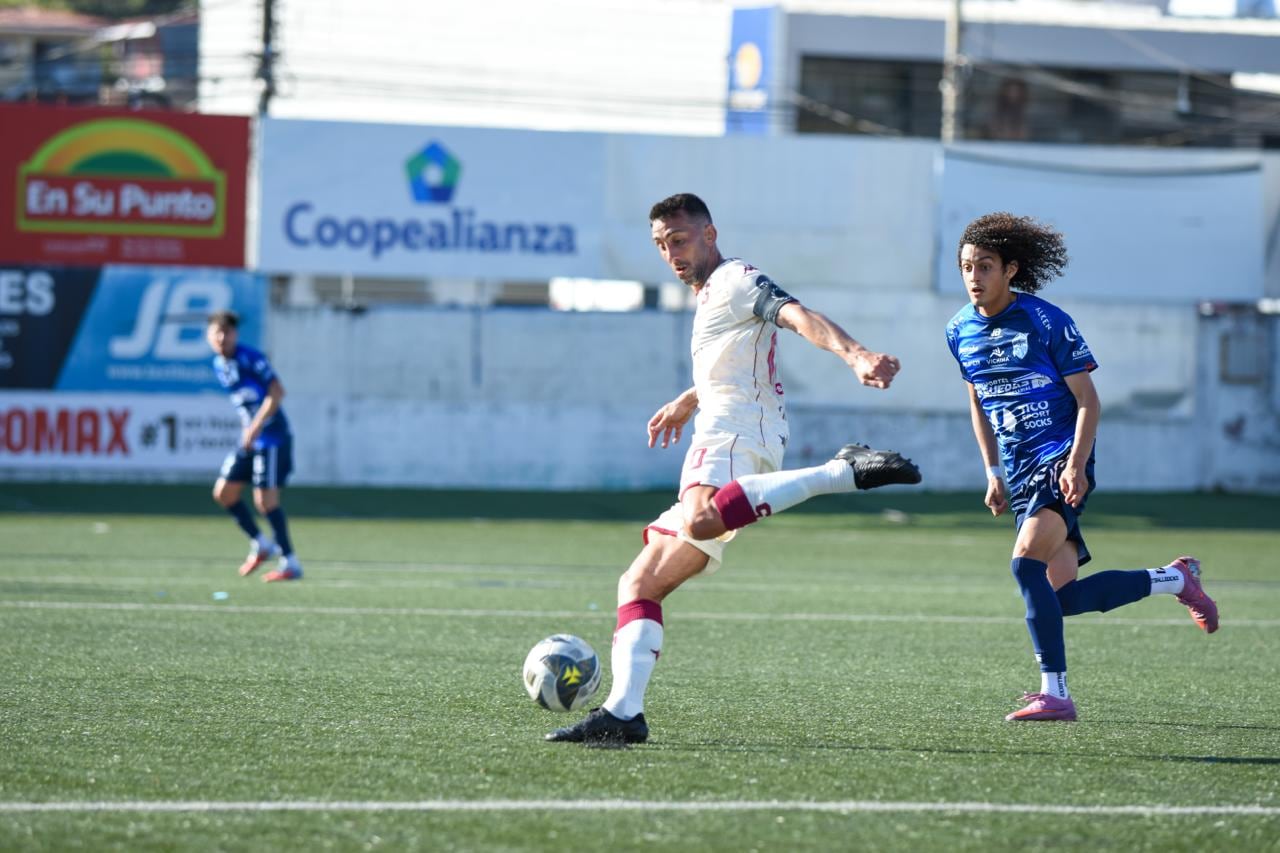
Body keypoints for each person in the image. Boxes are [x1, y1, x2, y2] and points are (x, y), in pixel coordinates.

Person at [547, 193, 921, 746]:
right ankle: (625, 713)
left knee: (699, 523)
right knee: (639, 582)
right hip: (723, 432)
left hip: (736, 434)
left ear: (709, 234)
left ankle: (840, 472)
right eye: (660, 244)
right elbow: (733, 356)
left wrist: (856, 354)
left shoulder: (736, 279)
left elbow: (798, 315)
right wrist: (689, 398)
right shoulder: (710, 298)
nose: (671, 253)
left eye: (679, 240)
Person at [944, 212, 1218, 723]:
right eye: (966, 267)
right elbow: (978, 403)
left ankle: (1056, 693)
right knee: (1061, 597)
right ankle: (1176, 579)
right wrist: (992, 472)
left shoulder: (1048, 322)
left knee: (1023, 564)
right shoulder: (959, 330)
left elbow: (1089, 401)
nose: (974, 277)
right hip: (1021, 472)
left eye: (985, 266)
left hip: (1057, 459)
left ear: (1011, 270)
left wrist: (1075, 464)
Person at [206, 310, 303, 583]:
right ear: (209, 337)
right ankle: (261, 543)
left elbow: (277, 393)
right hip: (251, 438)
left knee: (266, 500)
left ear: (236, 335)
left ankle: (290, 563)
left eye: (228, 332)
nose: (223, 338)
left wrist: (255, 425)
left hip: (271, 437)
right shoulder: (219, 365)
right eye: (217, 332)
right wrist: (248, 429)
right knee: (224, 493)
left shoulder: (251, 358)